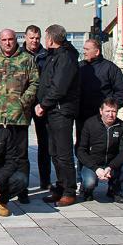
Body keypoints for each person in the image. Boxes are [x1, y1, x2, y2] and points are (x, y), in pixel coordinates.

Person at [0, 29, 39, 204]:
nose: (8, 43)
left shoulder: (27, 60)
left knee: (21, 156)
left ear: (16, 40)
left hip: (18, 117)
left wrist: (22, 103)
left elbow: (35, 82)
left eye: (11, 39)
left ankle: (23, 190)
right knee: (0, 155)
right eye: (4, 40)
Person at [34, 24, 79, 207]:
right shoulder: (54, 56)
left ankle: (69, 191)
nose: (45, 41)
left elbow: (59, 87)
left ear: (51, 39)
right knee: (54, 152)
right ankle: (60, 187)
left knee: (63, 154)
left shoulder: (66, 57)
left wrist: (44, 104)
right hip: (51, 112)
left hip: (61, 111)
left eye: (46, 37)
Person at [76, 98, 123, 203]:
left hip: (112, 164)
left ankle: (114, 190)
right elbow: (81, 151)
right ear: (101, 111)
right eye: (107, 111)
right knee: (90, 182)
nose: (110, 114)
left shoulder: (121, 125)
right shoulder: (90, 124)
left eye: (113, 111)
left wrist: (111, 166)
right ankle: (87, 191)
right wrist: (96, 168)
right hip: (93, 164)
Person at [78, 38, 123, 137]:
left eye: (87, 49)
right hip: (82, 116)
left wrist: (111, 108)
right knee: (82, 145)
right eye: (84, 49)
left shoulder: (110, 68)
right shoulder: (80, 67)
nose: (84, 52)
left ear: (97, 52)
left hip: (101, 117)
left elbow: (122, 90)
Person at [23, 25, 51, 190]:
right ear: (25, 37)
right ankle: (23, 182)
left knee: (44, 143)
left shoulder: (46, 56)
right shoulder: (18, 55)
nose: (34, 41)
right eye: (31, 38)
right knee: (21, 145)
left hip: (41, 104)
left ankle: (45, 179)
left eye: (37, 38)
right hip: (24, 103)